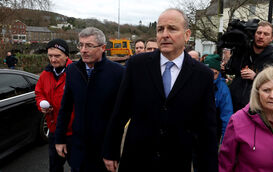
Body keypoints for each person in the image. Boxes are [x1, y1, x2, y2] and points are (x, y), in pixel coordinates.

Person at [103, 8, 218, 172]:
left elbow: (207, 128)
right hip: (136, 160)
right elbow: (120, 111)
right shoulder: (137, 65)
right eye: (160, 29)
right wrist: (111, 151)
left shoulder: (202, 75)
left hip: (176, 162)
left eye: (172, 28)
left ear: (187, 35)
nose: (164, 34)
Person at [55, 27, 125, 172]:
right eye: (81, 45)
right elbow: (66, 107)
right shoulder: (73, 70)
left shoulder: (118, 72)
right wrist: (59, 138)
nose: (83, 50)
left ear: (103, 47)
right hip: (79, 150)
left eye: (89, 45)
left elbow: (121, 116)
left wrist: (112, 151)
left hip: (104, 151)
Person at [219, 66, 273, 171]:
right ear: (258, 93)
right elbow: (224, 165)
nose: (272, 96)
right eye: (266, 90)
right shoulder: (238, 121)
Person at [222, 21, 273, 112]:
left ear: (271, 38)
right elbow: (231, 70)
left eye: (266, 34)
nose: (261, 36)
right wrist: (225, 66)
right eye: (259, 33)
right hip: (233, 105)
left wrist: (256, 76)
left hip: (258, 109)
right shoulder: (242, 52)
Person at [35, 39, 75, 172]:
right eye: (50, 56)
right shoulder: (45, 74)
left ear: (66, 55)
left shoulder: (76, 73)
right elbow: (39, 92)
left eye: (57, 56)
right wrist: (41, 104)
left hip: (74, 133)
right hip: (54, 131)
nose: (53, 59)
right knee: (55, 167)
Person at [204, 54, 233, 143]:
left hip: (213, 132)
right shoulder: (197, 83)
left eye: (214, 73)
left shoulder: (223, 89)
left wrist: (224, 141)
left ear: (218, 72)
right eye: (207, 72)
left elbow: (227, 116)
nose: (210, 76)